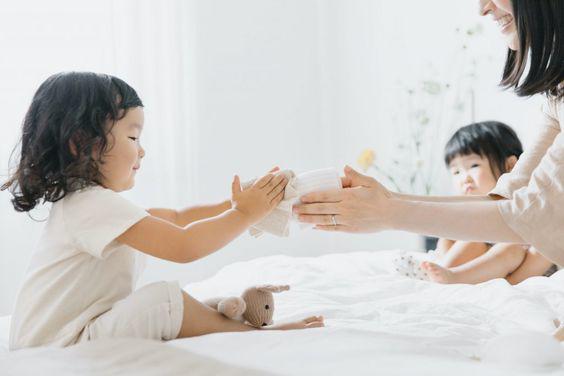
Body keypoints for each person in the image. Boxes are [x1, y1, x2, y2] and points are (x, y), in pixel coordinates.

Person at [293, 0, 563, 337]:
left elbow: (534, 214)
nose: (483, 9)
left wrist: (390, 213)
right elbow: (509, 197)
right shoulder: (558, 94)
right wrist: (387, 201)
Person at [3, 72, 323, 350]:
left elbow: (176, 219)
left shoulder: (90, 204)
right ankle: (245, 333)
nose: (142, 150)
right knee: (165, 300)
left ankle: (219, 317)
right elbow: (184, 245)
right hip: (61, 343)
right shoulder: (91, 205)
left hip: (65, 335)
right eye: (132, 136)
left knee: (176, 304)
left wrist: (237, 205)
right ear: (82, 143)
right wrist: (244, 215)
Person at [422, 121, 555, 284]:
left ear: (510, 166)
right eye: (456, 171)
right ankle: (448, 276)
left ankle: (505, 283)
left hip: (524, 266)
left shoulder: (523, 198)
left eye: (473, 165)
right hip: (479, 265)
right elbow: (448, 241)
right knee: (455, 234)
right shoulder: (467, 208)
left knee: (520, 247)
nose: (465, 178)